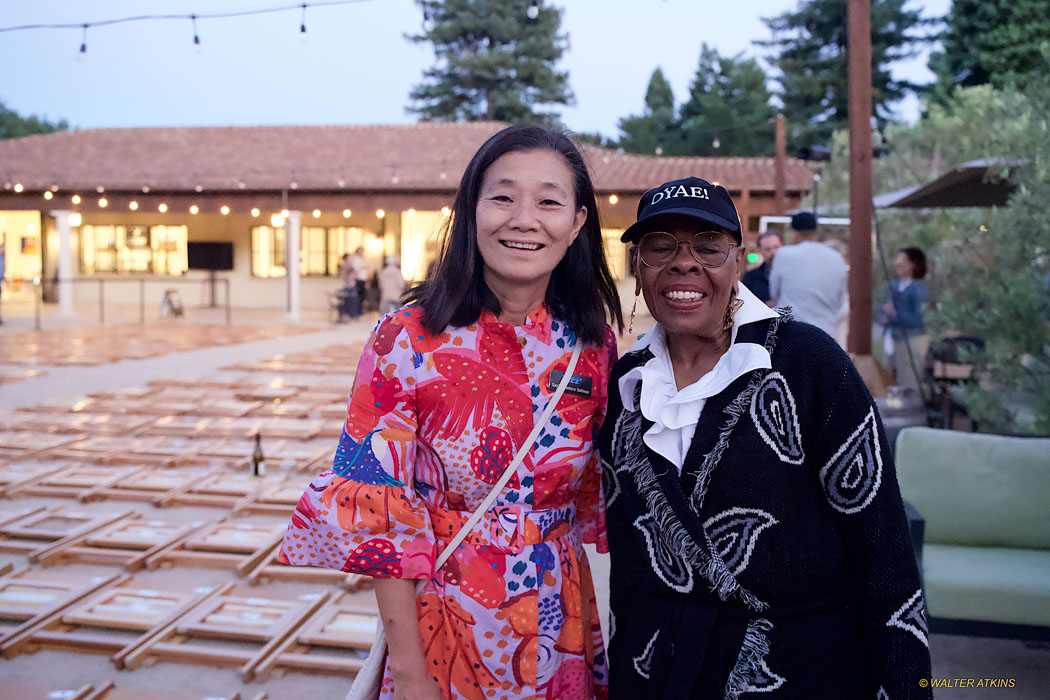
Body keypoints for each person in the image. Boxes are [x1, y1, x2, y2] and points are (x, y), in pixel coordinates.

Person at [281, 124, 623, 700]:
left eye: (548, 201)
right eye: (503, 196)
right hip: (446, 617)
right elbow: (383, 517)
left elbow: (607, 492)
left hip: (560, 617)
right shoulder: (406, 341)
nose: (524, 218)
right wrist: (411, 675)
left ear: (578, 223)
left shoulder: (593, 348)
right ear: (471, 209)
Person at [600, 177, 931, 699]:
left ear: (739, 262)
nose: (684, 263)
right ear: (638, 269)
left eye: (708, 246)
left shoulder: (809, 364)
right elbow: (628, 566)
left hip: (803, 673)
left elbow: (883, 549)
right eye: (660, 246)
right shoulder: (627, 386)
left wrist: (905, 685)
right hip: (659, 671)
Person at [768, 211, 849, 339]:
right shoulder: (836, 257)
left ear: (794, 231)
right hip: (827, 333)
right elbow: (841, 297)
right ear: (815, 230)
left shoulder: (783, 254)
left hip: (792, 331)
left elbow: (774, 292)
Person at [880, 247, 929, 395]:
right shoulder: (894, 286)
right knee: (887, 377)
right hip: (893, 339)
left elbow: (920, 318)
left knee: (909, 381)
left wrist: (895, 314)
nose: (896, 263)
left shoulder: (918, 288)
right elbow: (881, 308)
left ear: (912, 264)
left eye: (901, 261)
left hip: (912, 340)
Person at [740, 231, 782, 305]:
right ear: (761, 251)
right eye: (767, 249)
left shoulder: (795, 275)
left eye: (776, 247)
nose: (773, 252)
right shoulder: (750, 278)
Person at [338, 252, 360, 321]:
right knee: (351, 301)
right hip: (349, 286)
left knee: (350, 301)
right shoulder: (347, 265)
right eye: (350, 257)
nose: (352, 258)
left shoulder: (345, 265)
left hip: (349, 285)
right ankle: (351, 315)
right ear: (347, 258)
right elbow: (348, 275)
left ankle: (350, 315)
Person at [352, 246, 370, 312]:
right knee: (359, 297)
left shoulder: (361, 259)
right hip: (358, 280)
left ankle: (360, 311)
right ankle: (358, 311)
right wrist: (363, 267)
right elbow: (356, 269)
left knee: (363, 296)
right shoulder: (356, 259)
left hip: (363, 280)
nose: (362, 253)